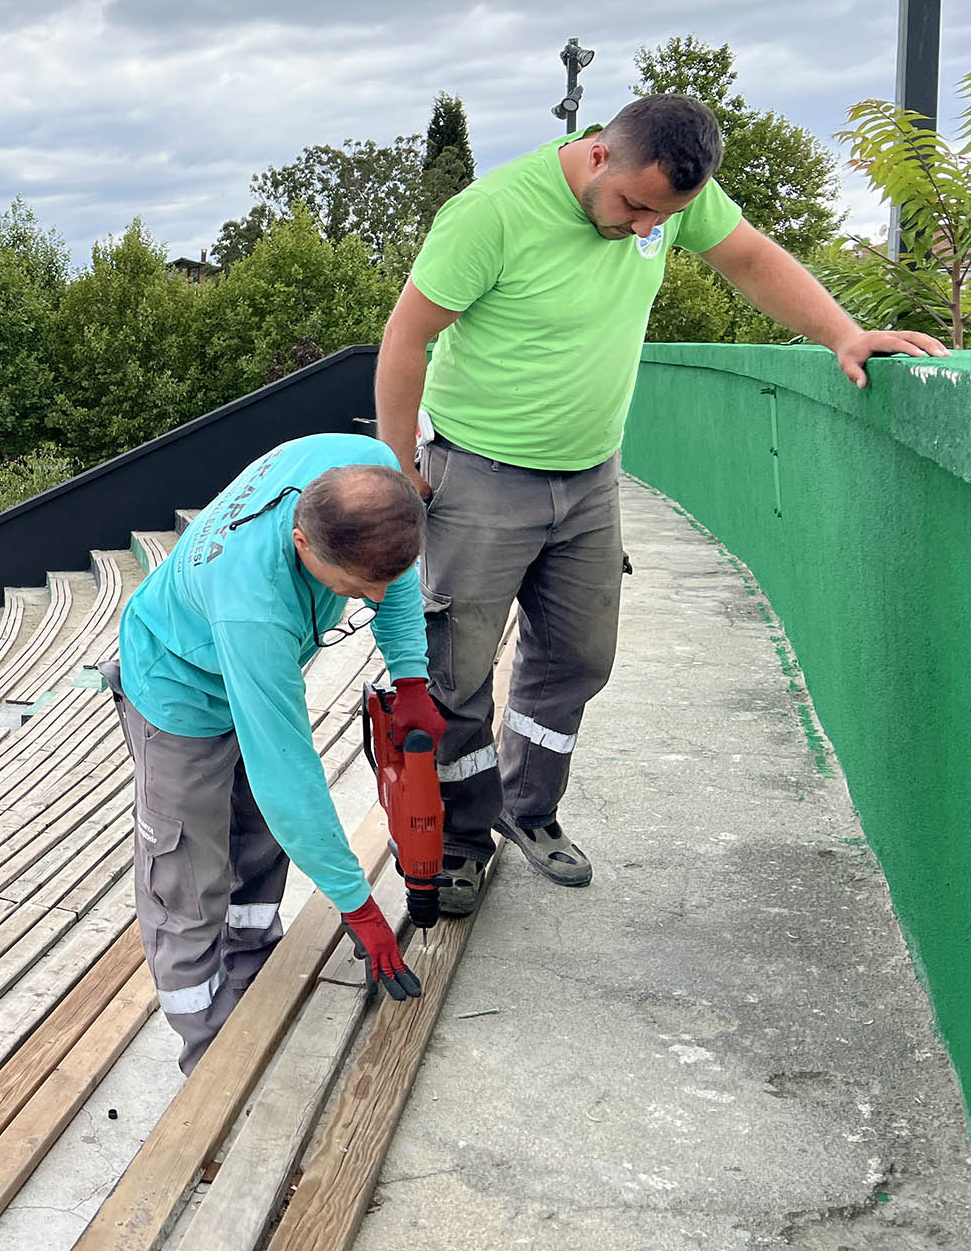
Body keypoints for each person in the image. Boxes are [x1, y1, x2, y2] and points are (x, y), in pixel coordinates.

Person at [376, 94, 948, 916]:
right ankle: (463, 838)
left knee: (578, 659)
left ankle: (527, 810)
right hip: (479, 475)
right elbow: (408, 337)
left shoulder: (668, 198)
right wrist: (401, 468)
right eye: (636, 208)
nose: (648, 229)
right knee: (456, 674)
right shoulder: (492, 213)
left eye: (665, 218)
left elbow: (749, 258)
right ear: (599, 156)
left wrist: (842, 334)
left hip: (590, 477)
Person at [98, 434, 447, 1074]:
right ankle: (208, 1047)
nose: (370, 600)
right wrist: (356, 904)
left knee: (259, 832)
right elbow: (289, 775)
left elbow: (390, 578)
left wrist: (412, 678)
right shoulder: (252, 606)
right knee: (189, 869)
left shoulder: (363, 473)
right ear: (304, 543)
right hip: (181, 691)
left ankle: (253, 960)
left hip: (247, 655)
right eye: (354, 588)